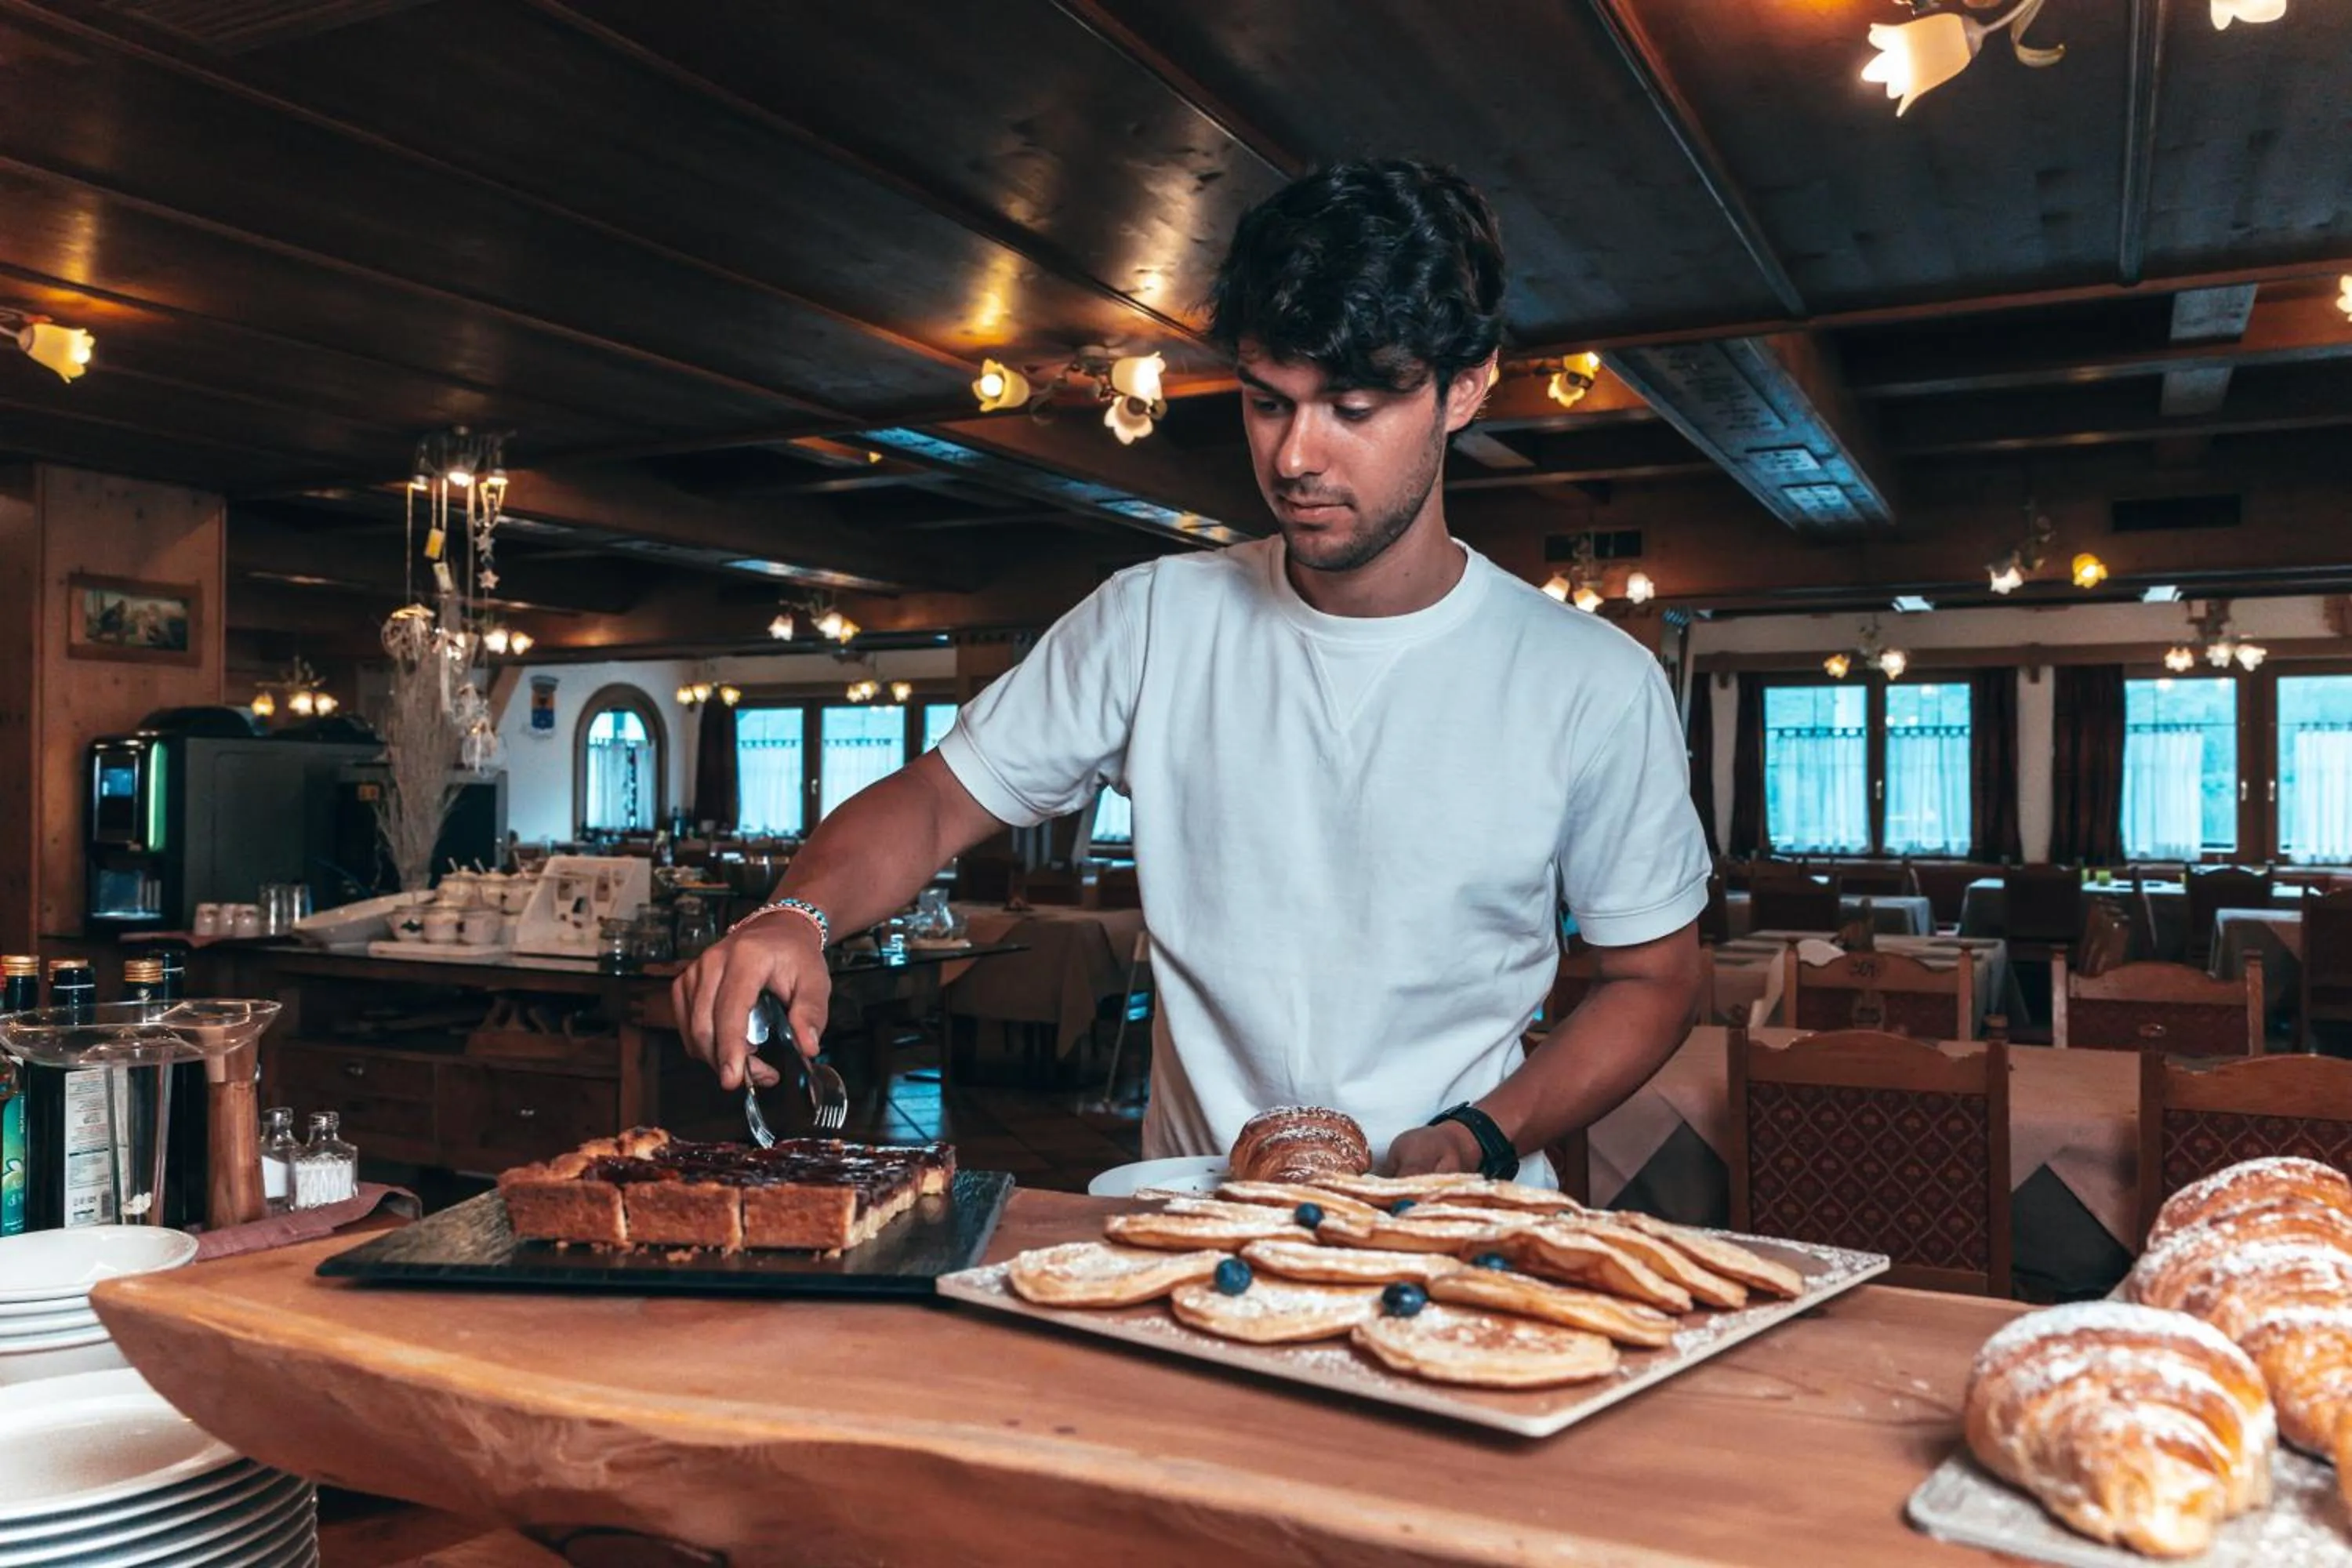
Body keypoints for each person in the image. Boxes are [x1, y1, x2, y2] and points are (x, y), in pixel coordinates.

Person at [673, 158, 1710, 1181]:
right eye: (1268, 402)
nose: (1297, 456)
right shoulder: (1152, 619)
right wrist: (793, 913)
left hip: (1451, 1229)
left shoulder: (1591, 681)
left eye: (1352, 407)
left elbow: (1656, 979)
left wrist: (1478, 1137)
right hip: (1185, 1222)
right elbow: (937, 801)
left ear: (1465, 389)